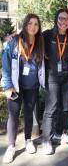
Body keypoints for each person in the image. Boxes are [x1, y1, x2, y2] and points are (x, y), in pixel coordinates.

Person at [1, 14, 45, 163]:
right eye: (30, 23)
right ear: (25, 24)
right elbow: (6, 64)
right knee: (13, 116)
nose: (33, 27)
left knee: (28, 114)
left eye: (36, 24)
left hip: (32, 87)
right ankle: (11, 146)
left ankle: (28, 140)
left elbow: (41, 65)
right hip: (15, 87)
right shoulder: (14, 41)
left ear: (39, 28)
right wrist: (7, 85)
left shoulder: (40, 42)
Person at [42, 9, 68, 155]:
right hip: (52, 76)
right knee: (52, 107)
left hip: (67, 76)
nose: (63, 21)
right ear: (56, 19)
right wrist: (14, 37)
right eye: (61, 18)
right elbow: (31, 38)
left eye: (67, 19)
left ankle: (62, 132)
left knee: (66, 107)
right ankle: (46, 140)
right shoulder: (47, 35)